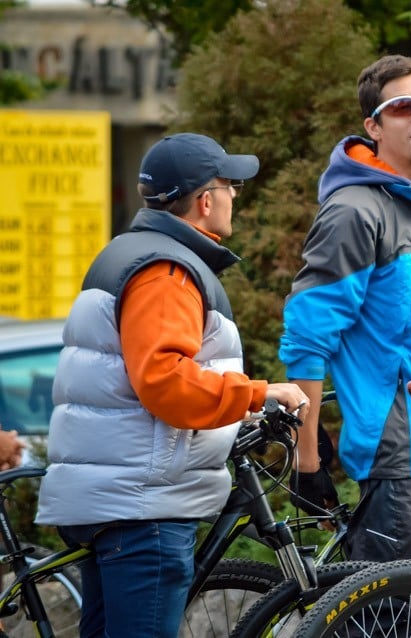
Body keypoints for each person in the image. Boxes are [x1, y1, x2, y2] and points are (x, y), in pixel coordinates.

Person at [34, 133, 309, 638]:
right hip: (144, 504)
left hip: (120, 493)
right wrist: (257, 393)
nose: (234, 197)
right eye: (232, 185)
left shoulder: (135, 253)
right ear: (206, 199)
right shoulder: (167, 271)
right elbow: (164, 382)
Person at [279, 54, 411, 567]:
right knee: (392, 620)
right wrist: (306, 460)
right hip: (400, 458)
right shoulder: (355, 211)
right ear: (373, 125)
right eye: (402, 107)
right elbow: (308, 341)